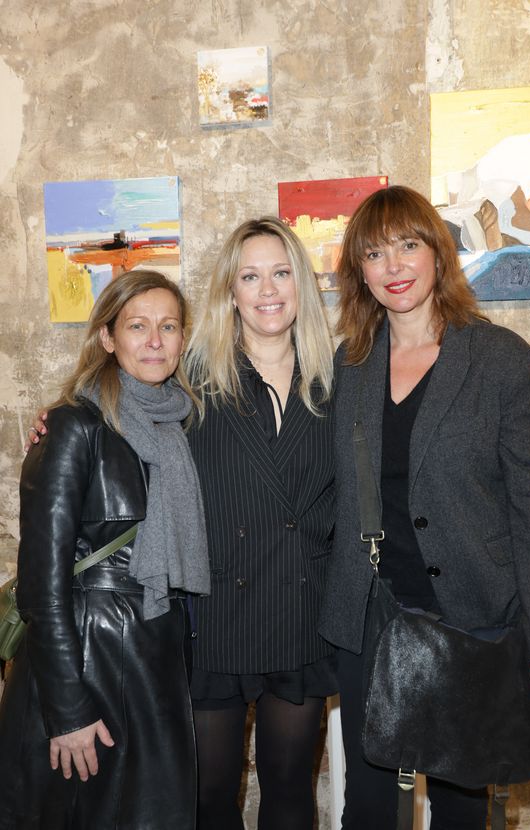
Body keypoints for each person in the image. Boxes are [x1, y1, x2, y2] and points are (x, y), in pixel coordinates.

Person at [317, 185, 530, 829]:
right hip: (371, 620)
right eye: (375, 254)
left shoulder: (501, 361)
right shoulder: (348, 366)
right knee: (370, 805)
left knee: (464, 805)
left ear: (438, 253)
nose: (394, 266)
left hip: (472, 618)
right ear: (359, 271)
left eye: (409, 245)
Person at [0, 270, 210, 830]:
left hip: (153, 659)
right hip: (90, 664)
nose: (155, 340)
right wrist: (66, 711)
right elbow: (40, 587)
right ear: (107, 338)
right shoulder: (73, 427)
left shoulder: (177, 426)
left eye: (168, 327)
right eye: (137, 326)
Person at [185, 217, 336, 830]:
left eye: (280, 273)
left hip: (298, 611)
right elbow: (116, 407)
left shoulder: (338, 376)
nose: (267, 290)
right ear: (231, 291)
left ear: (301, 284)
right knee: (209, 797)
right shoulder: (191, 375)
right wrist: (57, 419)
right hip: (213, 614)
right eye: (251, 276)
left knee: (290, 792)